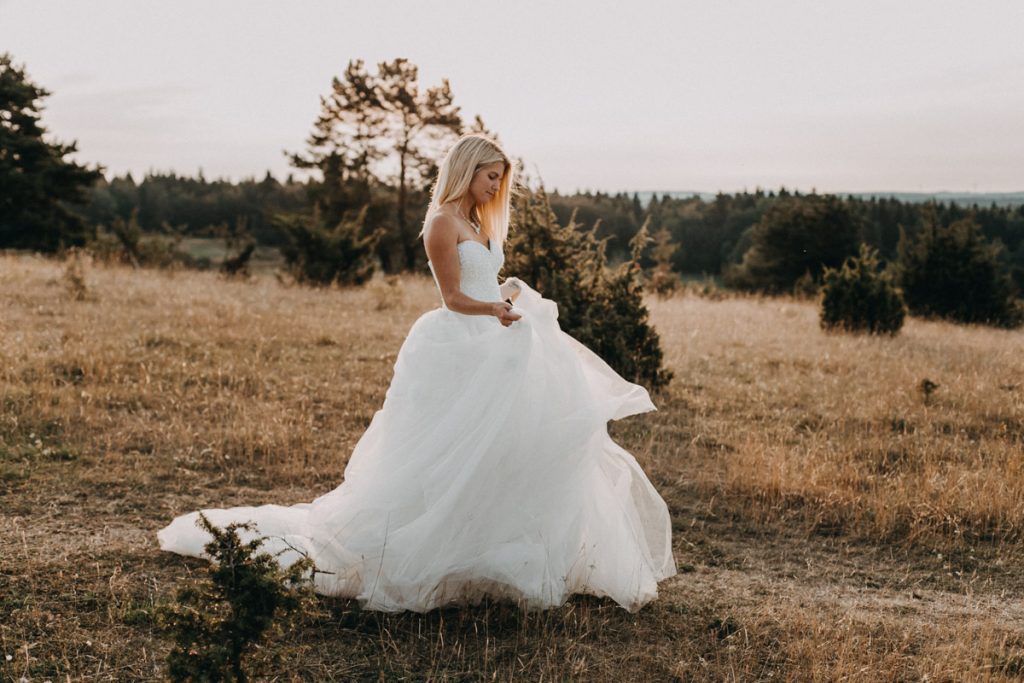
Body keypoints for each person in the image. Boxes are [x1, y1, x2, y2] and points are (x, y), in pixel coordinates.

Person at [157, 133, 677, 613]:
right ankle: (431, 549)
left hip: (495, 340)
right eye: (490, 175)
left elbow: (485, 283)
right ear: (467, 169)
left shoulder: (479, 223)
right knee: (449, 452)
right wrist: (493, 310)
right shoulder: (441, 224)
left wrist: (510, 295)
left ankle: (490, 547)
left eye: (501, 177)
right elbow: (453, 298)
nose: (497, 186)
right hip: (458, 344)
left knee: (507, 448)